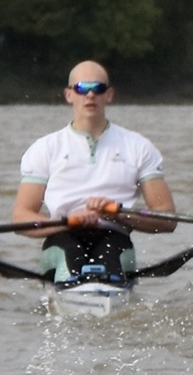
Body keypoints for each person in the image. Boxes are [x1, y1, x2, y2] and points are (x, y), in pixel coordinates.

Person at [12, 61, 178, 286]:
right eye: (82, 88)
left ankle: (105, 292)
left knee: (112, 261)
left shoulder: (139, 147)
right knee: (70, 260)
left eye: (98, 88)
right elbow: (21, 217)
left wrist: (118, 214)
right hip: (61, 236)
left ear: (109, 95)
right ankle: (74, 289)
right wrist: (69, 222)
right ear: (69, 95)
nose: (90, 95)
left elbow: (167, 218)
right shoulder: (45, 148)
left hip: (115, 236)